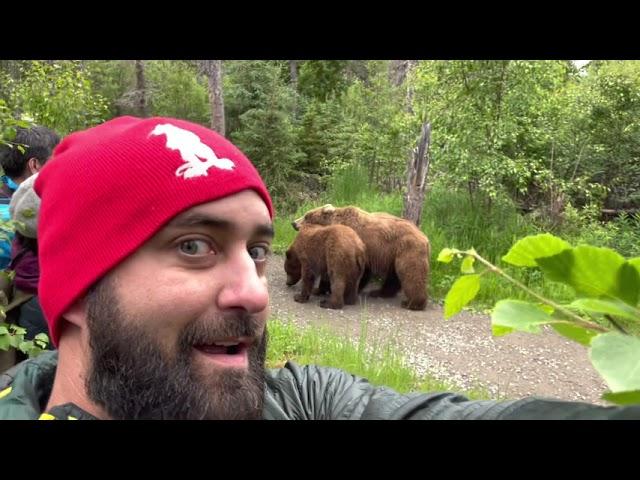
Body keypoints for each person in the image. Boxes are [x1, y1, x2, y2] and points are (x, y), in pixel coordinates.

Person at [0, 115, 638, 420]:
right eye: (193, 245)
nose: (255, 291)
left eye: (257, 250)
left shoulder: (298, 402)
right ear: (79, 287)